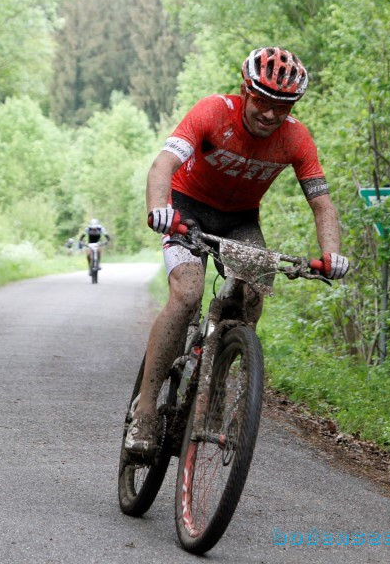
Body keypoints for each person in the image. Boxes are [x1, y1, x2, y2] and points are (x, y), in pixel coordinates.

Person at [124, 47, 350, 454]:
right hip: (186, 209)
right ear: (246, 91)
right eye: (262, 101)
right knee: (187, 294)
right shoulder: (213, 111)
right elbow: (162, 165)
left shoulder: (296, 137)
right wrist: (159, 208)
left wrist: (331, 254)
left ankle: (212, 395)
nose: (269, 114)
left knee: (250, 298)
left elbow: (322, 202)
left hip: (240, 221)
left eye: (282, 107)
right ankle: (145, 411)